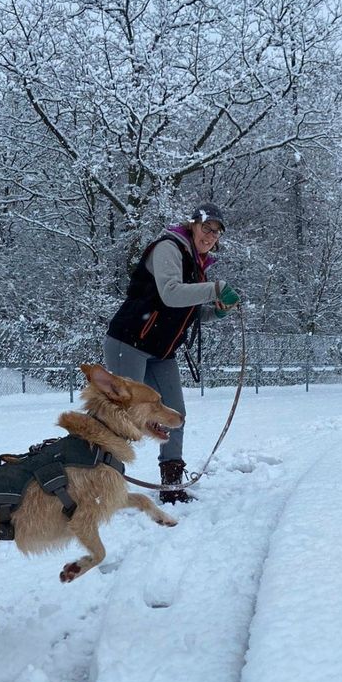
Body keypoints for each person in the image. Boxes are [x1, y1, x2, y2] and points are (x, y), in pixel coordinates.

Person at [104, 202, 240, 503]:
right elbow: (171, 293)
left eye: (216, 233)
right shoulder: (169, 247)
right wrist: (214, 288)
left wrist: (215, 313)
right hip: (128, 341)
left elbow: (184, 312)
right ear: (192, 224)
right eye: (207, 228)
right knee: (121, 416)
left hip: (161, 351)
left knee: (175, 415)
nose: (210, 236)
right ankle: (99, 483)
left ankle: (172, 485)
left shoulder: (196, 263)